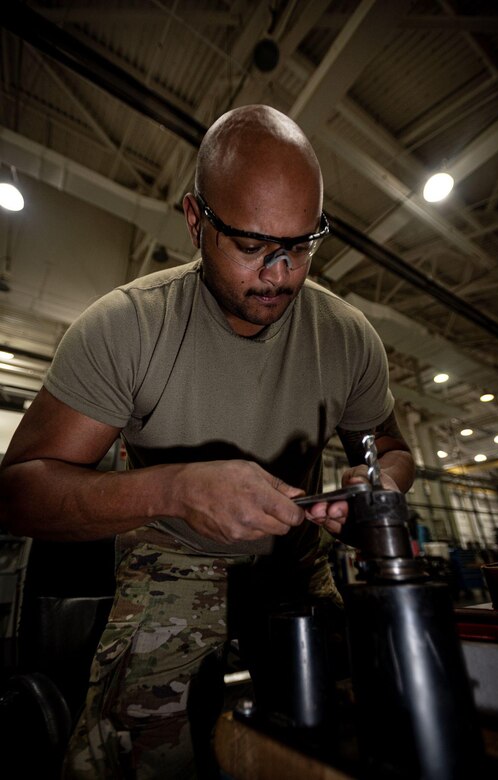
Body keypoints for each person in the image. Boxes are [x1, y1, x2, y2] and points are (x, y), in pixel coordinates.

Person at [0, 104, 415, 779]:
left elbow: (391, 448)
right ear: (196, 220)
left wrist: (380, 488)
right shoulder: (126, 329)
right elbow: (17, 495)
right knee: (137, 755)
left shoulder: (346, 336)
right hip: (172, 557)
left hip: (295, 561)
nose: (279, 272)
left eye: (301, 244)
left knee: (363, 727)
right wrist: (175, 489)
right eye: (252, 245)